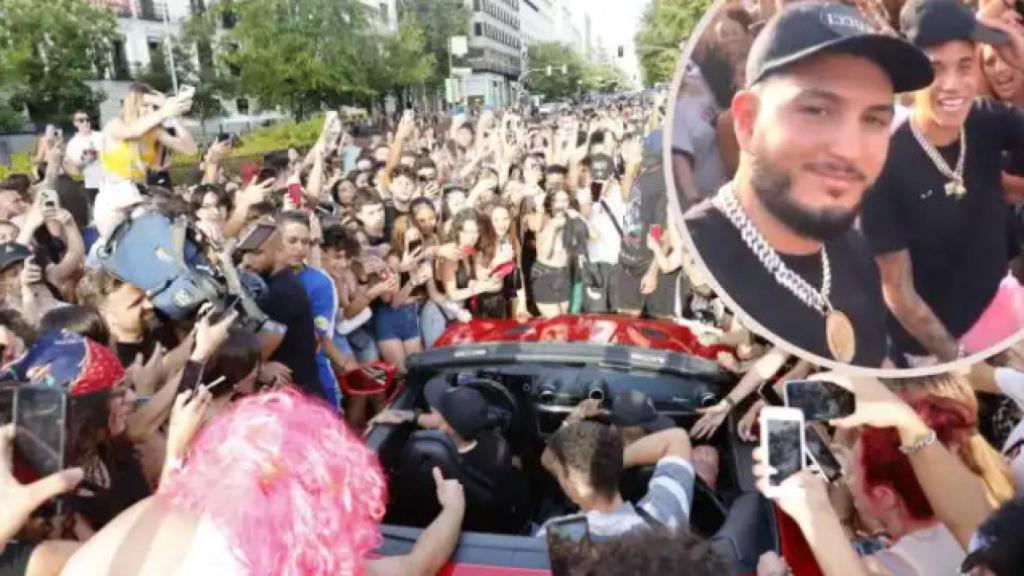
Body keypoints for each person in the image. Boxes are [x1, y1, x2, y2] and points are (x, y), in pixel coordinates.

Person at [683, 2, 933, 367]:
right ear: (747, 122)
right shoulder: (697, 263)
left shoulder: (859, 252)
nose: (849, 150)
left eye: (874, 120)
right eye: (816, 110)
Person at [58, 389, 466, 576]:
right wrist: (453, 508)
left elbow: (166, 507)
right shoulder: (304, 564)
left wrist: (178, 451)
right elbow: (415, 566)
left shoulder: (151, 519)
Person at [860, 0, 1024, 365]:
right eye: (934, 69)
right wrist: (962, 362)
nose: (952, 85)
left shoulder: (986, 120)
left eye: (964, 66)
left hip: (1002, 310)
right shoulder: (882, 165)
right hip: (933, 349)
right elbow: (900, 294)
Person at [539, 420, 695, 538]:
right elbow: (677, 438)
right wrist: (613, 462)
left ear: (575, 487)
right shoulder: (664, 518)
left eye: (560, 475)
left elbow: (547, 459)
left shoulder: (557, 537)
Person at [237, 223, 323, 401]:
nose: (247, 261)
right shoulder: (277, 285)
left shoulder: (281, 292)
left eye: (257, 253)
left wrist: (260, 367)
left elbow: (260, 350)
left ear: (278, 252)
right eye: (244, 254)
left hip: (295, 398)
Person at [63, 111, 104, 204]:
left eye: (87, 120)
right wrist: (84, 157)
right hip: (91, 180)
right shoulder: (73, 143)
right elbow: (73, 165)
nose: (85, 122)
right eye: (81, 120)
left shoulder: (101, 136)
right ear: (75, 123)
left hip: (108, 177)